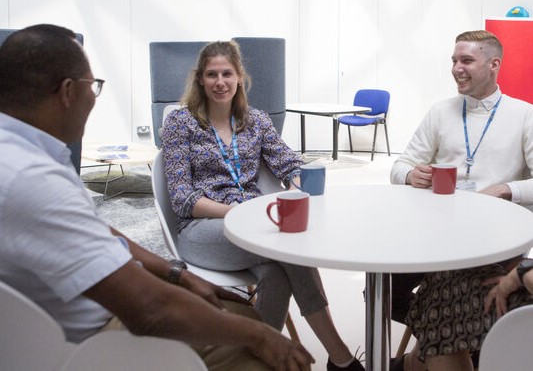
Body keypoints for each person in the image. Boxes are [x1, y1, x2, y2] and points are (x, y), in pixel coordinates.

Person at [0, 24, 315, 371]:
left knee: (265, 285)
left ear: (240, 78)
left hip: (53, 327)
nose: (94, 97)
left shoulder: (23, 157)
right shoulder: (36, 180)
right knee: (263, 347)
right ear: (68, 92)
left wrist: (176, 273)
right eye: (94, 86)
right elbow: (149, 309)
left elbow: (94, 229)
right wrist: (260, 336)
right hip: (94, 339)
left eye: (228, 74)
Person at [161, 40, 364, 371]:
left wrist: (297, 185)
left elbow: (289, 163)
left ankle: (255, 362)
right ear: (200, 79)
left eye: (227, 73)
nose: (219, 82)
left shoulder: (255, 120)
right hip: (202, 229)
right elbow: (184, 198)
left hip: (255, 226)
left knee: (277, 274)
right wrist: (241, 214)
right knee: (288, 249)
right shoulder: (181, 123)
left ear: (240, 77)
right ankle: (341, 359)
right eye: (211, 74)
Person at [389, 29, 533, 371]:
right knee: (403, 285)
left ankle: (412, 364)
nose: (456, 68)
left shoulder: (525, 114)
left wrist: (506, 189)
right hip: (443, 237)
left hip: (499, 241)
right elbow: (399, 166)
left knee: (444, 292)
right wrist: (410, 175)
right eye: (454, 60)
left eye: (466, 60)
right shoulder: (440, 112)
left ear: (494, 64)